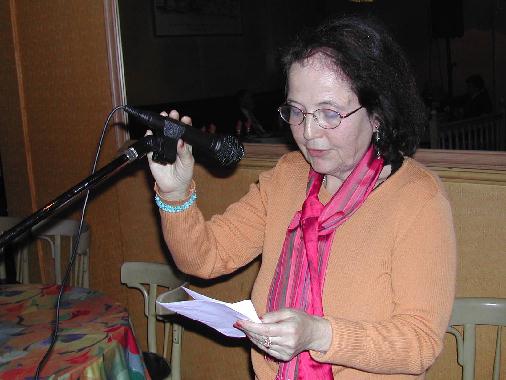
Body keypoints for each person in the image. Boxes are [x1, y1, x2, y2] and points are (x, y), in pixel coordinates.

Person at [147, 15, 457, 379]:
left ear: (376, 115)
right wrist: (175, 192)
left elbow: (419, 343)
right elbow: (205, 259)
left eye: (329, 113)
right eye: (296, 111)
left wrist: (319, 334)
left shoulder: (417, 199)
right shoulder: (288, 177)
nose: (308, 133)